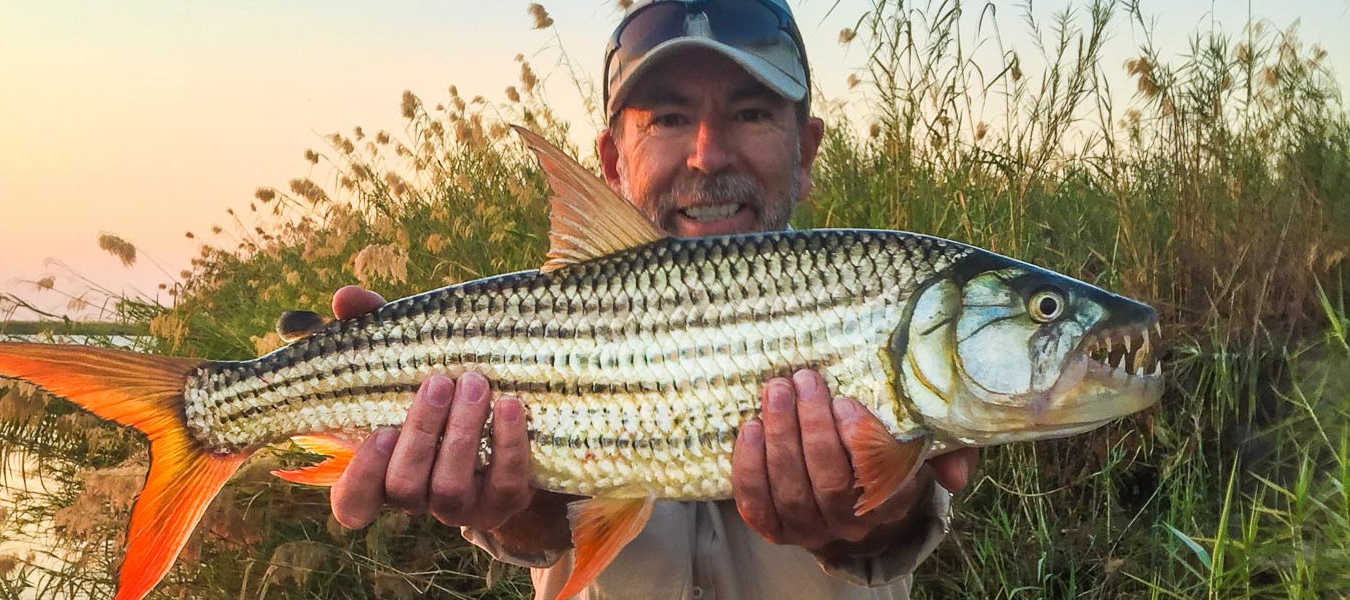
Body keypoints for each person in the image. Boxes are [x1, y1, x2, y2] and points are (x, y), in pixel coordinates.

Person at [323, 1, 978, 598]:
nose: (708, 155)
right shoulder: (525, 328)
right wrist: (522, 503)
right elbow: (538, 531)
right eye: (668, 117)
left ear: (805, 151)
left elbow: (901, 523)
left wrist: (878, 513)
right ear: (611, 165)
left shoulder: (880, 298)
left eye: (750, 112)